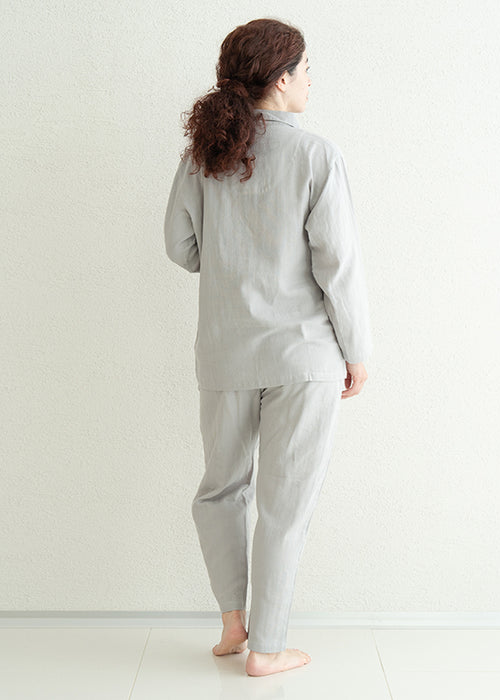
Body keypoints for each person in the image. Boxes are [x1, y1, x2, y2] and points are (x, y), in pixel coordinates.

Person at [164, 18, 373, 677]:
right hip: (302, 355)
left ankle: (233, 626)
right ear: (280, 79)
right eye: (305, 69)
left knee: (220, 489)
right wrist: (357, 350)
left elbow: (181, 248)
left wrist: (231, 259)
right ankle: (268, 649)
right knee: (284, 505)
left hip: (224, 351)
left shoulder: (203, 155)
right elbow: (337, 266)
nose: (310, 80)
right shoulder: (316, 155)